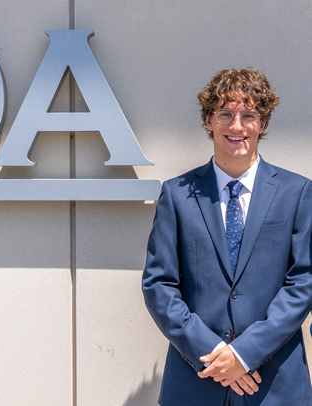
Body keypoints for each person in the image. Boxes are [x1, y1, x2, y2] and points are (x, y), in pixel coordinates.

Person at [142, 68, 312, 406]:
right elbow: (159, 285)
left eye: (249, 115)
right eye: (225, 114)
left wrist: (245, 354)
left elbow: (304, 283)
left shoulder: (297, 193)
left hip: (274, 385)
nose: (237, 126)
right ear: (209, 120)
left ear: (262, 123)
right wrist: (215, 353)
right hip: (196, 382)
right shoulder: (176, 195)